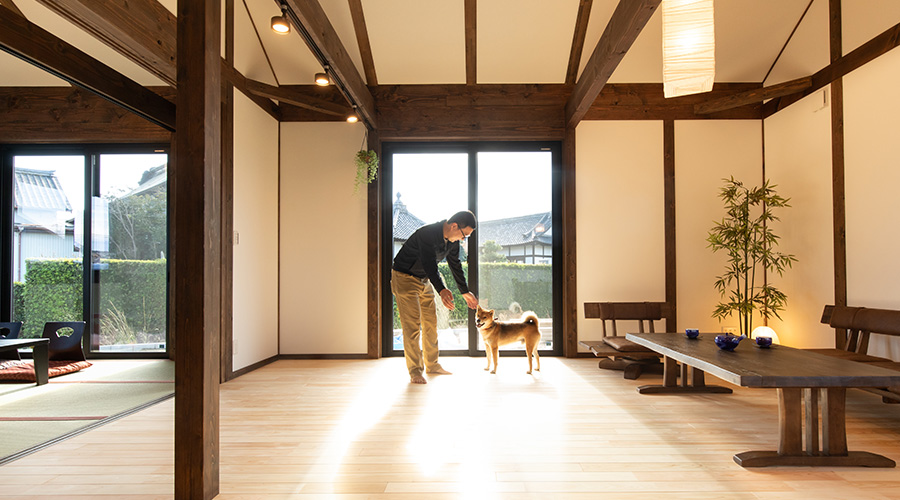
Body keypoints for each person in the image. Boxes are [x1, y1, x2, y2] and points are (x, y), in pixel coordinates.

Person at [391, 210, 479, 384]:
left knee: (431, 323)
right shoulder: (427, 233)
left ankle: (432, 364)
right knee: (412, 326)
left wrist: (464, 291)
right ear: (454, 226)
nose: (463, 240)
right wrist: (441, 289)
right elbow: (429, 263)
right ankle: (415, 370)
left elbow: (455, 264)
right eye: (464, 235)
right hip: (404, 278)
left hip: (424, 280)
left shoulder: (452, 242)